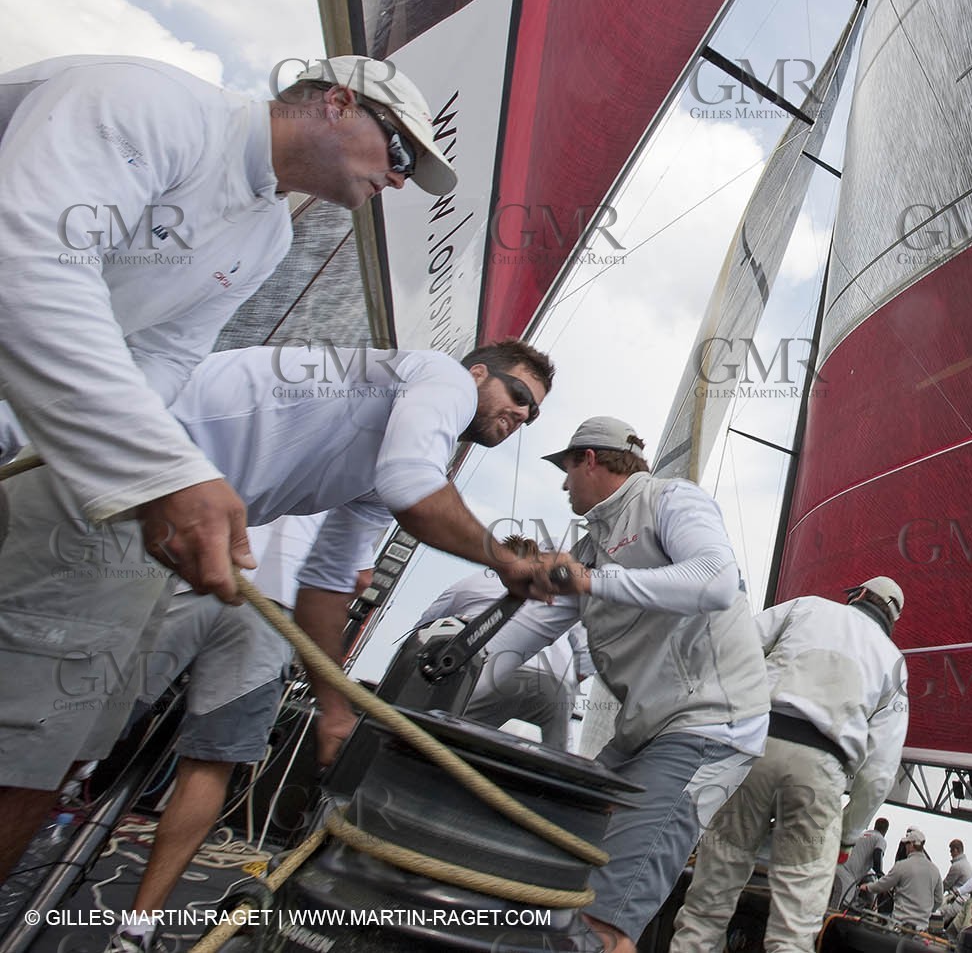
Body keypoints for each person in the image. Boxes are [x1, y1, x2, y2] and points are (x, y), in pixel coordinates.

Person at [0, 338, 552, 883]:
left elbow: (326, 585)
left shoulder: (382, 450)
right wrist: (506, 561)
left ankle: (134, 928)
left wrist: (334, 710)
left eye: (534, 413)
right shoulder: (441, 376)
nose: (524, 416)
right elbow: (413, 483)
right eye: (521, 395)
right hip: (114, 479)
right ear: (478, 374)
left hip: (147, 530)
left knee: (76, 743)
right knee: (37, 748)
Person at [0, 53, 453, 597]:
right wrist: (163, 471)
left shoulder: (268, 235)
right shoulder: (150, 103)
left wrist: (13, 432)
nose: (400, 180)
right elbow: (30, 263)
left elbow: (164, 356)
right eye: (400, 151)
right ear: (338, 104)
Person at [516, 418, 772, 953]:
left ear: (590, 459)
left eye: (567, 470)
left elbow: (716, 579)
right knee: (551, 862)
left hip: (709, 724)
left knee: (603, 918)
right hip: (642, 736)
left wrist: (590, 580)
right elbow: (524, 637)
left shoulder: (672, 500)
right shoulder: (587, 549)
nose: (564, 486)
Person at [105, 514, 374, 953]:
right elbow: (357, 574)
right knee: (210, 763)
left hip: (188, 565)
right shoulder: (365, 468)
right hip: (271, 604)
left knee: (84, 729)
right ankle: (138, 927)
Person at [670, 578, 911, 953]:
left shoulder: (807, 606)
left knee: (707, 905)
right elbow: (879, 772)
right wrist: (847, 835)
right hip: (820, 771)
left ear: (860, 595)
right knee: (794, 931)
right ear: (892, 618)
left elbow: (736, 643)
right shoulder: (893, 662)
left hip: (755, 748)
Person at [412, 568, 592, 751]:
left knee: (434, 730)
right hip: (553, 687)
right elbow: (587, 656)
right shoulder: (560, 593)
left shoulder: (472, 582)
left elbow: (421, 632)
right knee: (557, 757)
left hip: (487, 678)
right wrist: (570, 684)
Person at [859, 827, 943, 932]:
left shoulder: (902, 866)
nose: (905, 847)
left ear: (912, 845)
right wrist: (925, 910)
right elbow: (939, 900)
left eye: (906, 844)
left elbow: (882, 885)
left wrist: (867, 887)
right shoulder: (935, 870)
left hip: (899, 926)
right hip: (922, 929)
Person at [835, 817, 892, 908]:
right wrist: (881, 876)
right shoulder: (880, 839)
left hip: (837, 868)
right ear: (886, 830)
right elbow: (877, 855)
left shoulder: (862, 834)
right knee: (842, 907)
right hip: (848, 876)